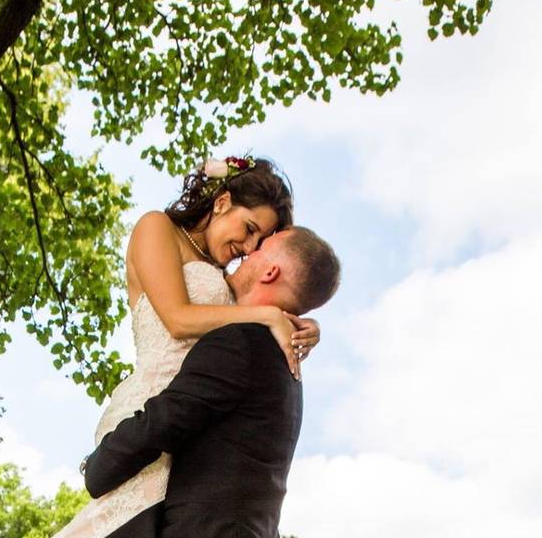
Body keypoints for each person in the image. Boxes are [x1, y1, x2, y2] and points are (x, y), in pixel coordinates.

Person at [53, 157, 321, 538]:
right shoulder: (157, 228)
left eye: (257, 242)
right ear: (222, 202)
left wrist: (303, 325)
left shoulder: (227, 278)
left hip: (197, 423)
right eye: (248, 229)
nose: (246, 246)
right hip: (152, 408)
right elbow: (178, 319)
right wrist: (266, 317)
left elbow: (254, 307)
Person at [84, 226, 342, 537]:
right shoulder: (285, 367)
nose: (248, 253)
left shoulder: (241, 342)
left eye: (260, 250)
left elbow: (164, 421)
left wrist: (97, 466)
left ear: (270, 271)